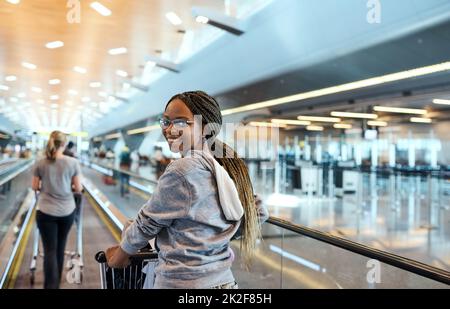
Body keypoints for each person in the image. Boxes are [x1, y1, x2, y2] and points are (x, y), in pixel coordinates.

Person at [106, 91, 268, 289]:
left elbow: (147, 223)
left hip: (182, 283)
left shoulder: (182, 169)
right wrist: (216, 241)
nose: (170, 129)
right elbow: (258, 210)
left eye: (182, 122)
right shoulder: (221, 164)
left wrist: (119, 257)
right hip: (225, 282)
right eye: (165, 122)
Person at [31, 131, 82, 289]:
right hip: (66, 211)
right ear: (64, 144)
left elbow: (34, 186)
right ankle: (57, 283)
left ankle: (50, 285)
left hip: (45, 212)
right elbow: (78, 188)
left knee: (49, 250)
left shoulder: (40, 163)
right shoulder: (72, 163)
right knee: (60, 247)